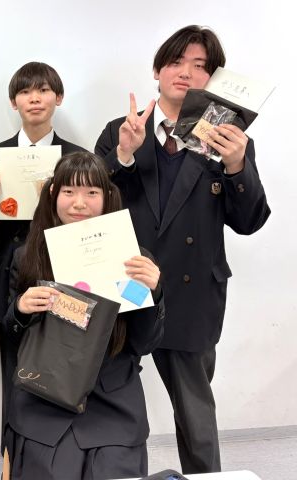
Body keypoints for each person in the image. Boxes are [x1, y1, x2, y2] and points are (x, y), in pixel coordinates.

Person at [94, 25, 270, 474]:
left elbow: (249, 221)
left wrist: (236, 165)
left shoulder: (228, 138)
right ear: (157, 71)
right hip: (125, 288)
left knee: (196, 417)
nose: (186, 72)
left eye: (200, 66)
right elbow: (89, 207)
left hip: (191, 295)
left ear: (213, 79)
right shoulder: (121, 131)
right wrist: (124, 156)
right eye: (176, 61)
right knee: (110, 402)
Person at [3, 151, 164, 480]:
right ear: (53, 194)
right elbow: (13, 338)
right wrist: (20, 310)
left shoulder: (133, 260)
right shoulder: (27, 257)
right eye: (69, 191)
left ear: (107, 197)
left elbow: (143, 343)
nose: (79, 203)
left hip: (113, 406)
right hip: (43, 402)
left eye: (91, 192)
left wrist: (155, 293)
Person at [0, 62, 85, 444]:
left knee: (65, 368)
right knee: (13, 373)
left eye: (43, 90)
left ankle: (59, 453)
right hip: (10, 274)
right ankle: (12, 458)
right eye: (25, 91)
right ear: (14, 102)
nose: (34, 98)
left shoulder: (76, 156)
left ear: (58, 97)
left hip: (65, 273)